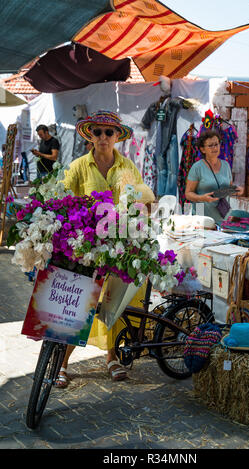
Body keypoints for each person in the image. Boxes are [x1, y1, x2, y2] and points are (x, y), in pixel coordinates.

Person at [56, 110, 155, 387]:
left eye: (108, 132)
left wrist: (140, 219)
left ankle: (111, 358)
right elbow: (62, 198)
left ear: (116, 137)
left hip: (118, 246)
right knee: (79, 303)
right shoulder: (78, 166)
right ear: (90, 135)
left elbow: (144, 199)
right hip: (86, 247)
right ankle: (62, 363)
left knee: (115, 302)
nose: (103, 137)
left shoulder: (128, 168)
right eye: (97, 132)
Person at [185, 130, 243, 224]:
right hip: (202, 217)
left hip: (222, 217)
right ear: (203, 149)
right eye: (210, 145)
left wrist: (236, 190)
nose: (214, 148)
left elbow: (228, 188)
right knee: (202, 237)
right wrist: (202, 198)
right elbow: (188, 193)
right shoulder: (197, 167)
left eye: (216, 144)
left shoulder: (226, 165)